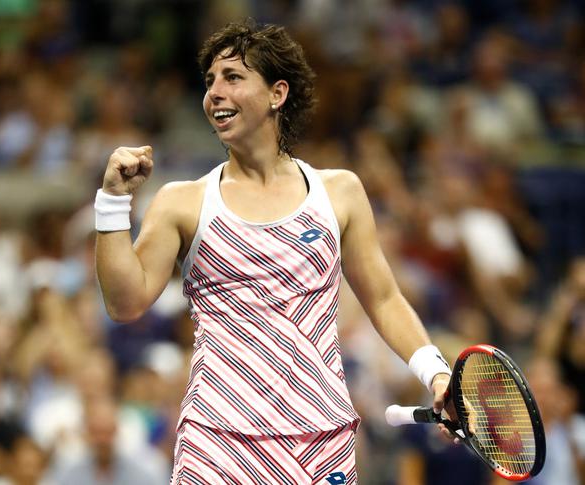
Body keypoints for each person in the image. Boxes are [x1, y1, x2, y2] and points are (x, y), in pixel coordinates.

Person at [95, 19, 452, 484]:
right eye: (209, 82)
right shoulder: (181, 202)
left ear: (276, 94)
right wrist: (112, 202)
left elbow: (384, 299)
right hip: (217, 441)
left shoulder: (340, 192)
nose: (214, 93)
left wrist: (436, 374)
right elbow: (124, 303)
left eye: (233, 78)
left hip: (321, 441)